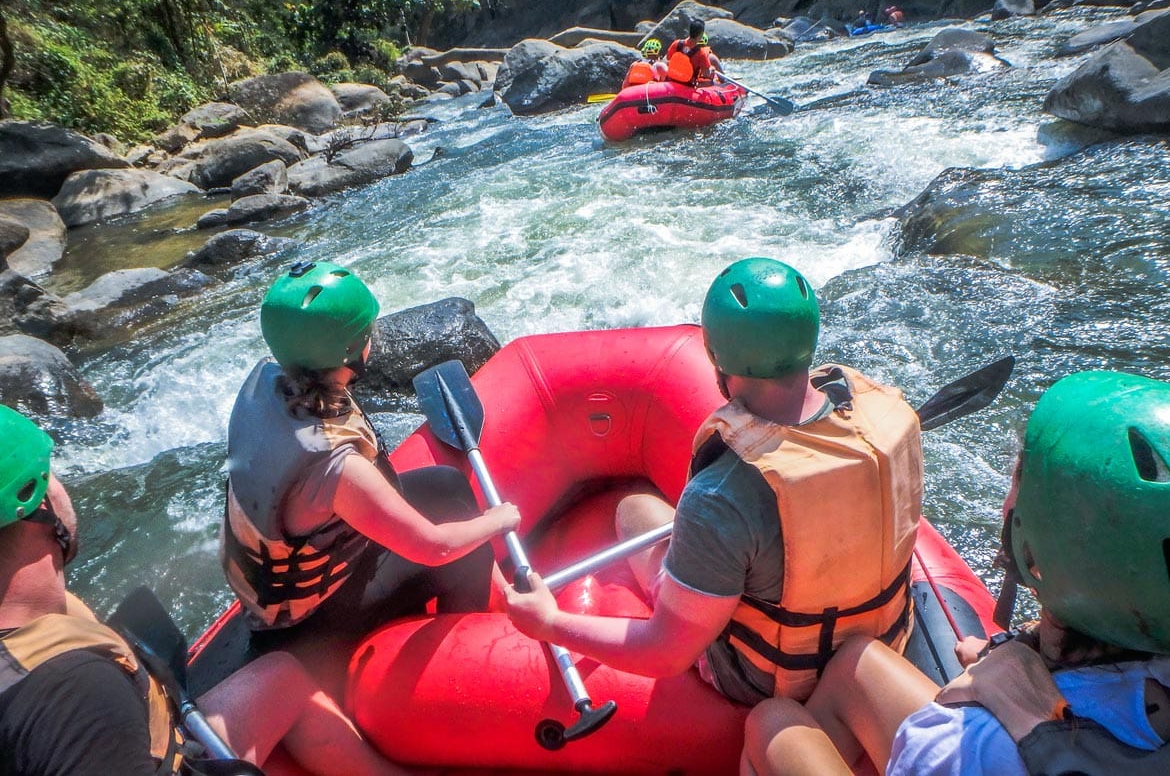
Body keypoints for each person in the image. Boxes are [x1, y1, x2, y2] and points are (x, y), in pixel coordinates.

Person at [505, 257, 923, 708]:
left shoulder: (722, 495)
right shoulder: (890, 418)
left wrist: (548, 621)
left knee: (633, 509)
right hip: (881, 644)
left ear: (716, 356)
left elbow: (665, 652)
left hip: (765, 678)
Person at [741, 370, 1170, 775]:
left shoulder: (957, 747)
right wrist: (1021, 657)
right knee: (856, 662)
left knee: (772, 721)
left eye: (1017, 481)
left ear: (1035, 552)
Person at [0, 405, 405, 775]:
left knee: (283, 679)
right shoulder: (76, 692)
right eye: (52, 470)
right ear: (37, 501)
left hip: (170, 741)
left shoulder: (32, 629)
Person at [220, 260, 519, 642]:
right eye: (367, 333)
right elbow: (434, 548)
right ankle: (470, 647)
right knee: (468, 554)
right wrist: (501, 519)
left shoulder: (274, 382)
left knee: (445, 483)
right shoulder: (335, 466)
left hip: (300, 565)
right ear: (349, 350)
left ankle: (491, 597)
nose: (372, 339)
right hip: (314, 616)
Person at [665, 19, 724, 85]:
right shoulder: (701, 53)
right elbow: (706, 74)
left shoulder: (676, 43)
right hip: (687, 85)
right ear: (701, 35)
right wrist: (711, 70)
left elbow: (668, 59)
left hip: (671, 80)